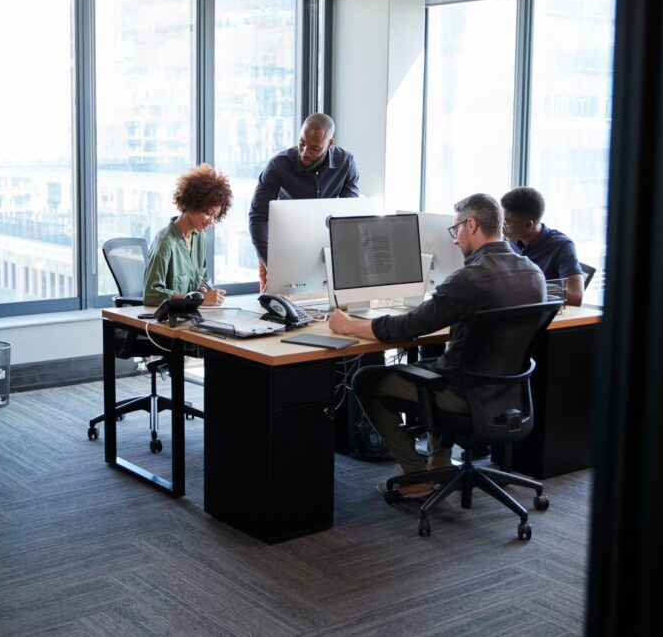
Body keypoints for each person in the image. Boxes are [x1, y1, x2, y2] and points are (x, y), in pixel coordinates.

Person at [328, 193, 546, 497]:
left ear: (471, 225)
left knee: (366, 379)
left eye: (455, 229)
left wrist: (349, 325)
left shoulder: (469, 279)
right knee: (435, 366)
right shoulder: (534, 273)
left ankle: (415, 475)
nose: (455, 240)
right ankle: (439, 467)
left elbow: (407, 328)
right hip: (507, 394)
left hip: (463, 394)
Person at [248, 113, 359, 292]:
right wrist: (272, 264)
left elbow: (349, 215)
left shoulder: (346, 163)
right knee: (276, 311)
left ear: (330, 144)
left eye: (314, 148)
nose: (305, 152)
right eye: (302, 143)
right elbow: (257, 217)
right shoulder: (278, 165)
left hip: (324, 248)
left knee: (325, 310)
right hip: (280, 249)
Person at [143, 164, 233, 307]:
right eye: (209, 213)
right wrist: (198, 299)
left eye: (215, 216)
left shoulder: (200, 236)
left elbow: (200, 278)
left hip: (190, 316)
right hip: (166, 321)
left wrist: (207, 294)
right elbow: (151, 294)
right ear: (192, 205)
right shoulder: (165, 242)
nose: (212, 221)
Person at [500, 186, 585, 307]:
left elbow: (576, 296)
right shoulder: (506, 241)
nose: (501, 228)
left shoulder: (561, 246)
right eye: (500, 221)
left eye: (506, 223)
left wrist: (531, 288)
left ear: (528, 224)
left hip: (545, 317)